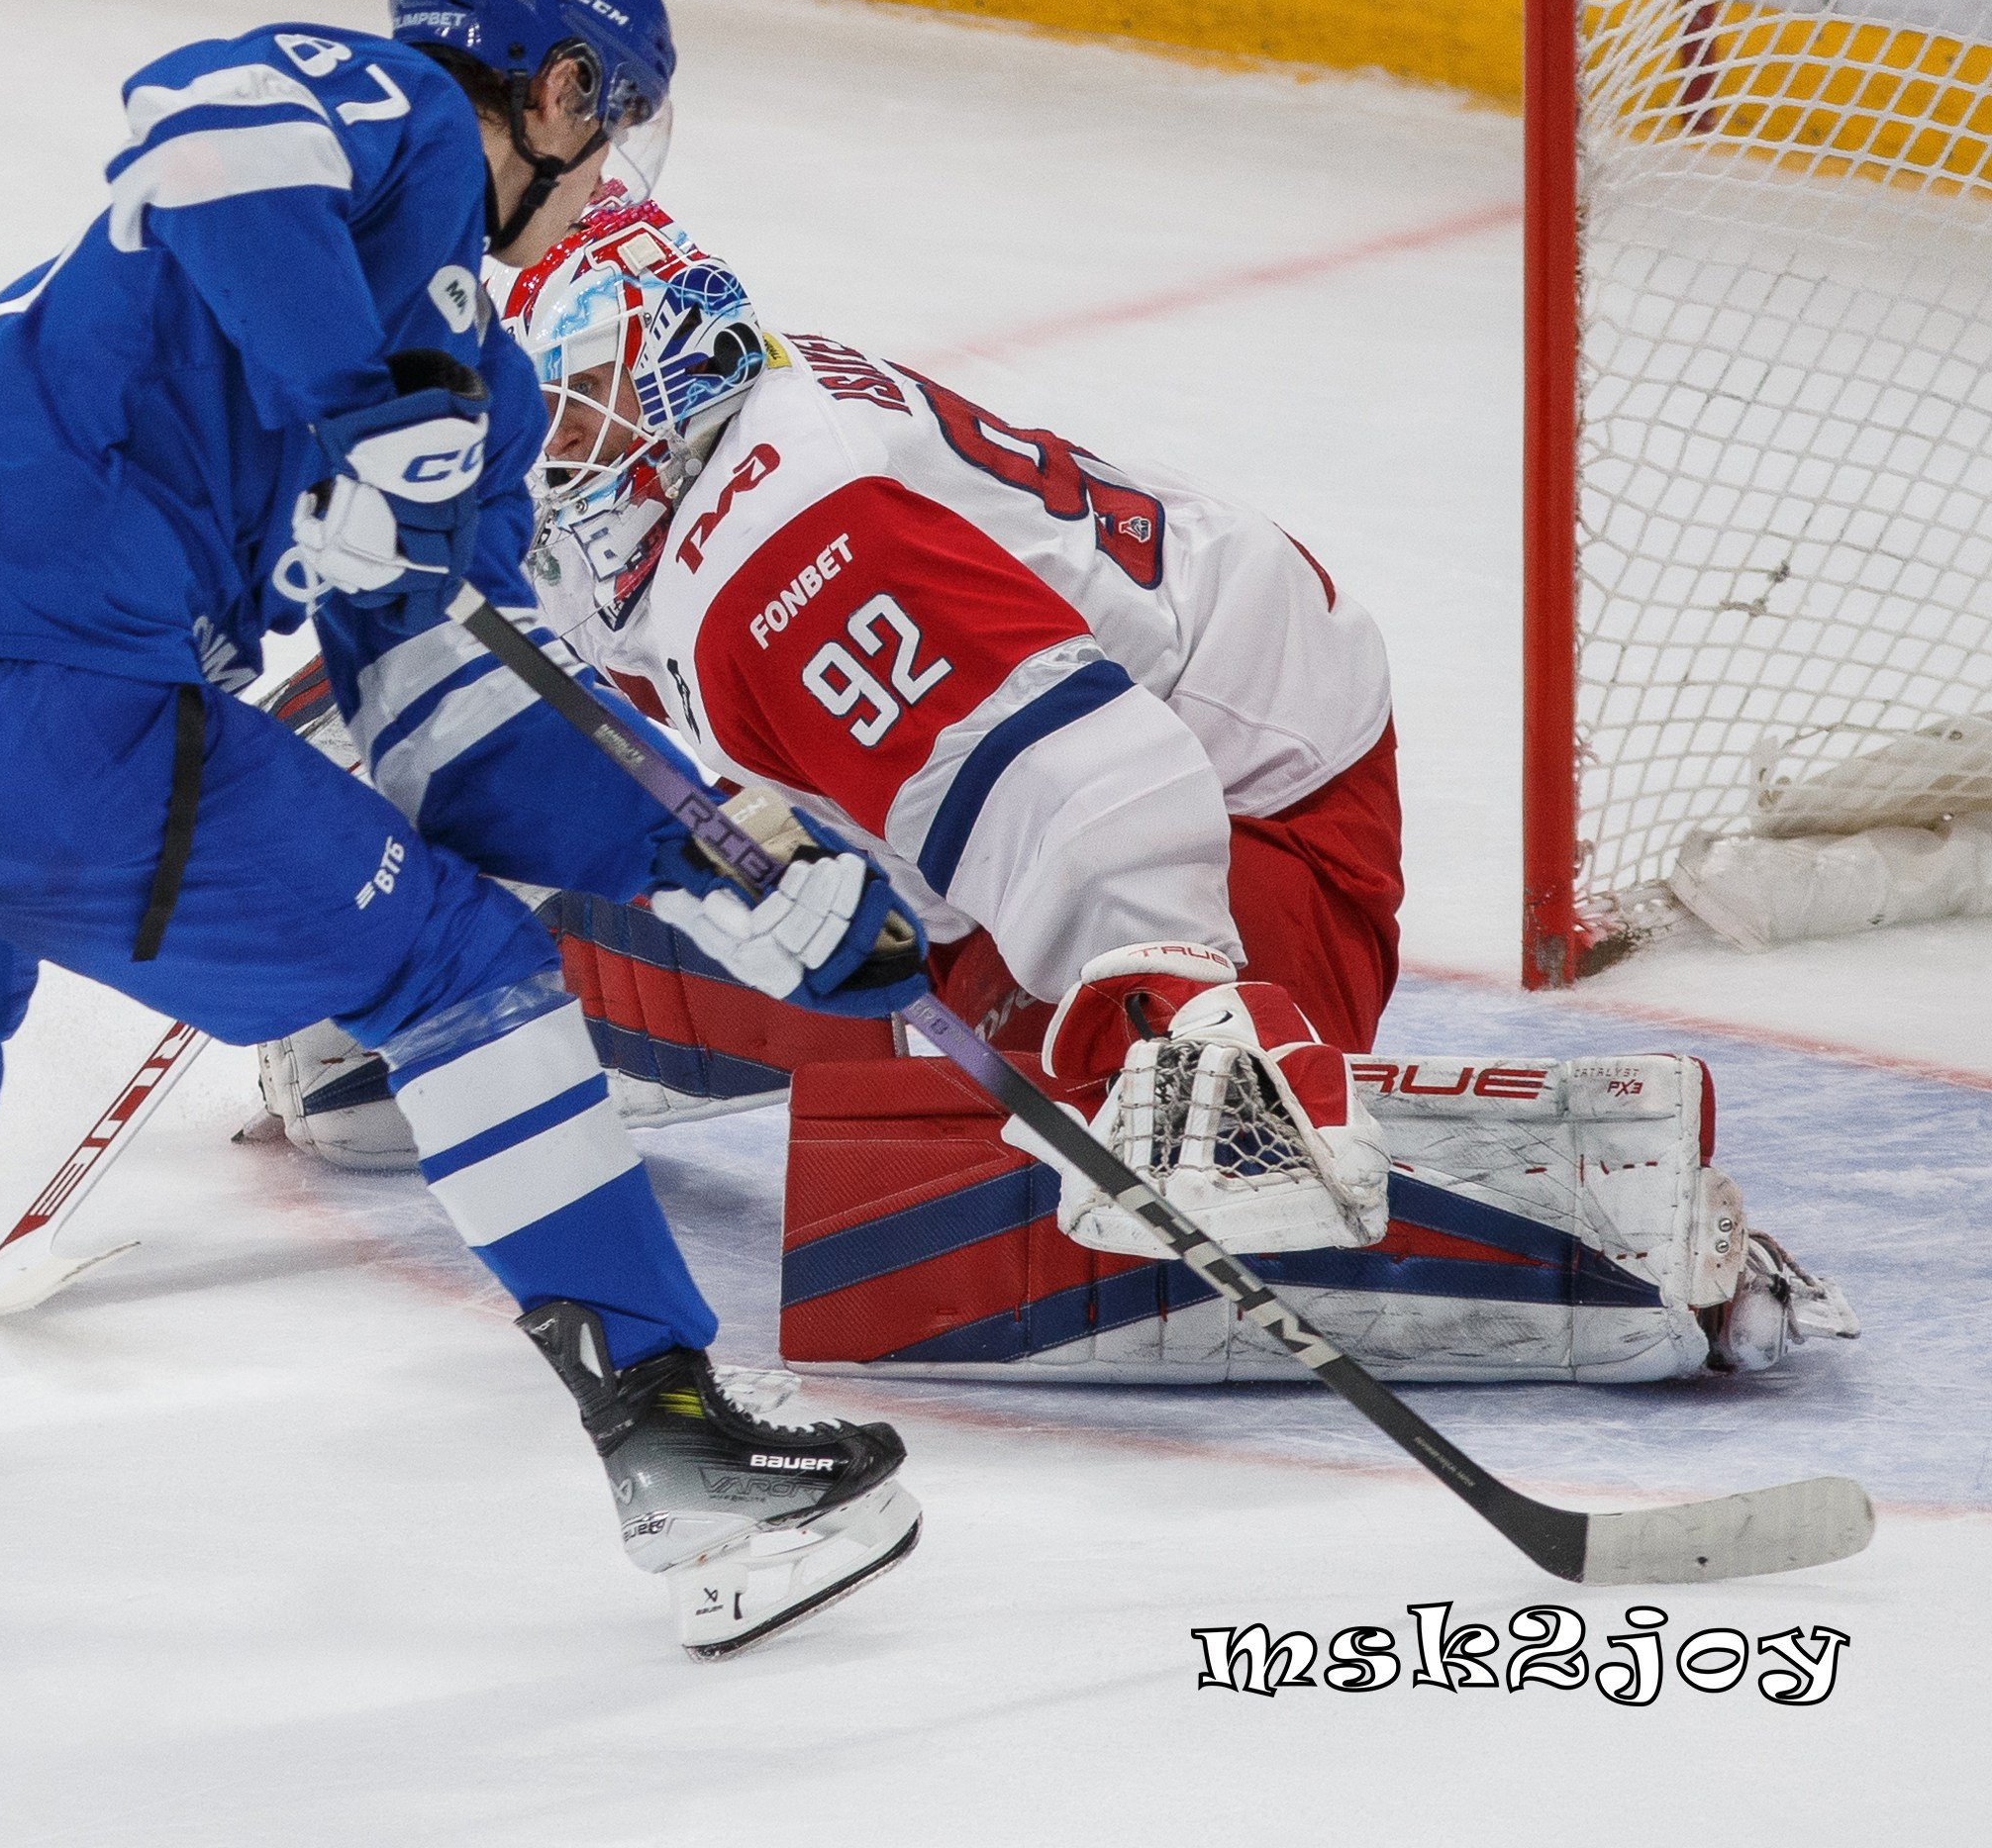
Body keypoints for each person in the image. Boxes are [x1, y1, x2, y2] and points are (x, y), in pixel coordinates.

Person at [0, 0, 929, 1661]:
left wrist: (711, 857)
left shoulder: (477, 385)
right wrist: (358, 398)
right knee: (459, 975)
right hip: (40, 704)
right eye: (604, 125)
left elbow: (454, 725)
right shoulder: (383, 133)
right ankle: (682, 1445)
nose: (606, 172)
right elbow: (203, 104)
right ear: (555, 87)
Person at [483, 199, 1855, 1384]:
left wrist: (1177, 1012)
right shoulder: (681, 493)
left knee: (1032, 1147)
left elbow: (1083, 787)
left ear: (679, 375)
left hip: (1257, 823)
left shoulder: (787, 554)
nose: (553, 449)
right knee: (767, 942)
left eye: (581, 404)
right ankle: (460, 1002)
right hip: (1078, 779)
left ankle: (1610, 1236)